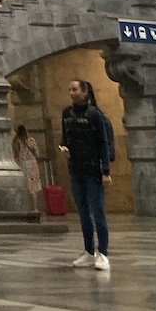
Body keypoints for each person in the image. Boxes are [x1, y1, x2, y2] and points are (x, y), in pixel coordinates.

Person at [60, 78, 113, 271]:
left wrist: (105, 171)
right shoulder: (66, 113)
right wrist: (64, 148)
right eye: (69, 89)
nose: (71, 93)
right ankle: (89, 251)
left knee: (98, 212)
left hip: (93, 170)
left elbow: (103, 143)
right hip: (76, 169)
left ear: (85, 92)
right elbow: (65, 137)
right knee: (83, 213)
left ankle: (103, 253)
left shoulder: (95, 114)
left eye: (75, 89)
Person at [12, 123, 42, 213]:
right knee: (33, 187)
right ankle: (35, 207)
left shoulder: (16, 142)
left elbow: (15, 155)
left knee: (23, 185)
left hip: (22, 164)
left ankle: (23, 206)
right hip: (32, 164)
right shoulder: (31, 140)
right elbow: (37, 153)